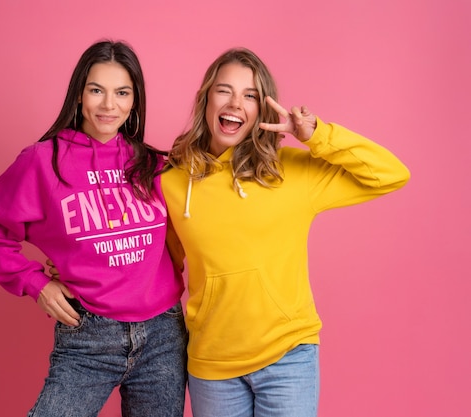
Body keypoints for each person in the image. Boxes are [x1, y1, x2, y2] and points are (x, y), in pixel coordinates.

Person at [160, 48, 410, 417]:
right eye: (224, 90)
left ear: (262, 110)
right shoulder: (173, 181)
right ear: (206, 98)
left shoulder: (289, 171)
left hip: (287, 358)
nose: (235, 103)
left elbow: (391, 173)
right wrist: (71, 271)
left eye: (250, 96)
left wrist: (318, 136)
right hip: (211, 365)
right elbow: (160, 264)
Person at [0, 40, 187, 417]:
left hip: (163, 336)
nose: (108, 105)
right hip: (88, 335)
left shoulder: (153, 164)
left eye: (121, 93)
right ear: (79, 94)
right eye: (96, 90)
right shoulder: (43, 161)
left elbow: (188, 233)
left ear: (135, 101)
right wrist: (37, 283)